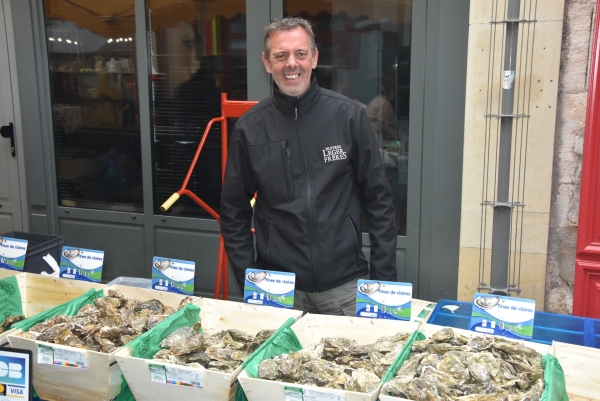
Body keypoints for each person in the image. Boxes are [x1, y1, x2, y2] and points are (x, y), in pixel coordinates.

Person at [220, 17, 397, 316]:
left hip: (346, 290)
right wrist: (251, 280)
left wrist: (381, 282)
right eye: (281, 55)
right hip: (279, 292)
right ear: (267, 62)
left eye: (300, 53)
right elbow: (233, 211)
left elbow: (379, 202)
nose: (292, 63)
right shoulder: (250, 129)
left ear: (314, 58)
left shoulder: (349, 117)